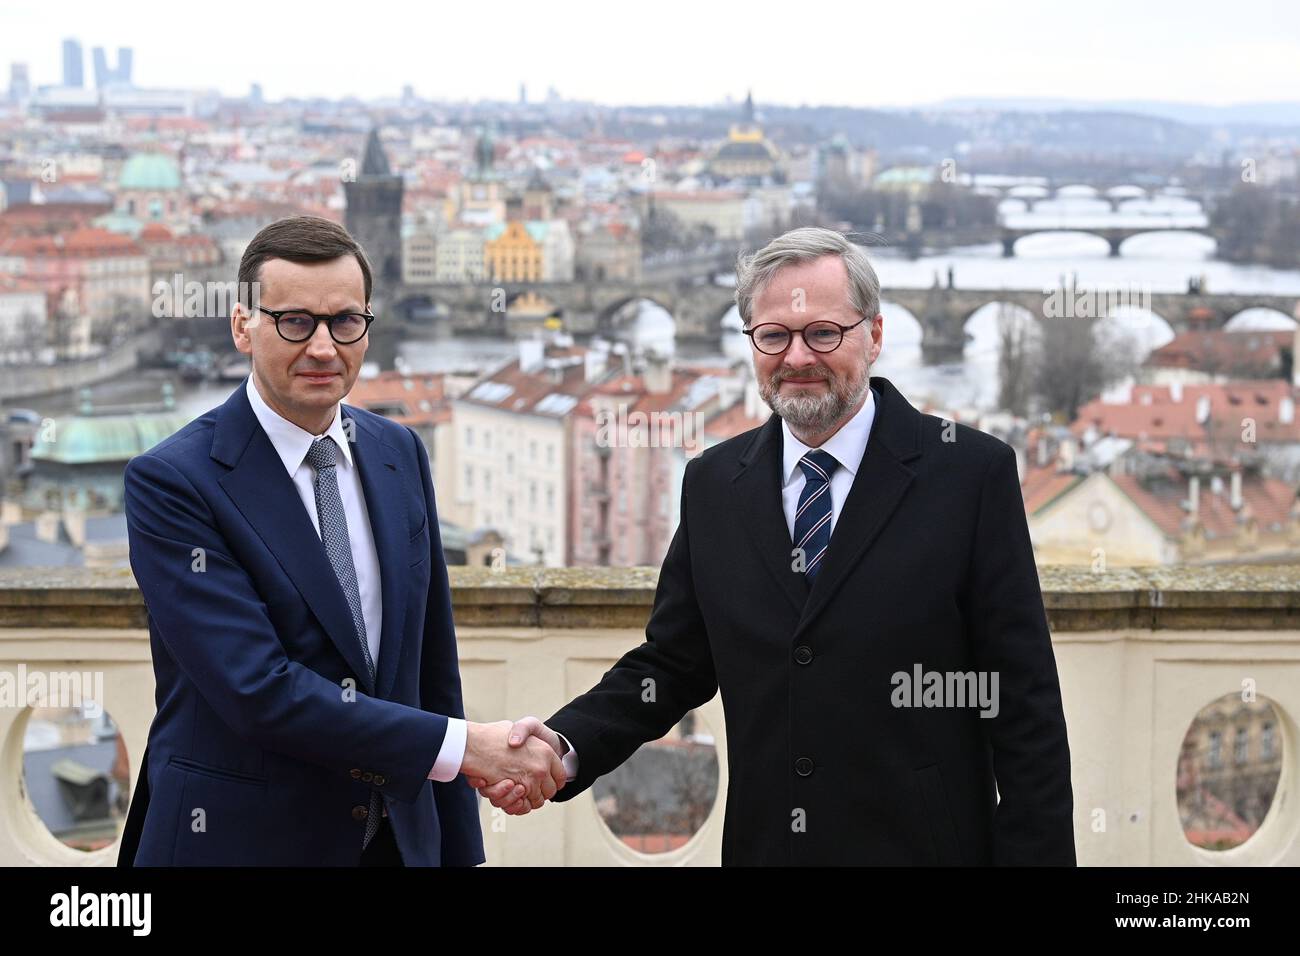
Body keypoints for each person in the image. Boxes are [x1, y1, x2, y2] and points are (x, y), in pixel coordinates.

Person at [473, 226, 1076, 865]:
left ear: (873, 335)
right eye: (774, 337)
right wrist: (562, 748)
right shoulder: (714, 483)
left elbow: (1023, 706)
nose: (796, 358)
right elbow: (673, 664)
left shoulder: (967, 475)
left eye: (823, 333)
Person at [119, 216, 562, 866]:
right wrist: (465, 746)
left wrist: (460, 852)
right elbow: (259, 692)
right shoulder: (174, 481)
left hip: (393, 843)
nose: (324, 347)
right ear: (242, 325)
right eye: (295, 322)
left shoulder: (396, 450)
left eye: (345, 322)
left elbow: (430, 669)